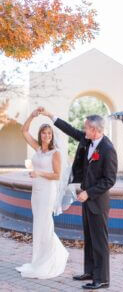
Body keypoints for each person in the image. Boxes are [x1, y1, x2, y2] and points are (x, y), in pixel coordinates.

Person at [39, 107, 118, 290]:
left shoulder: (108, 149)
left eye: (86, 128)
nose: (83, 131)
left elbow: (109, 180)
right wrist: (51, 115)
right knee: (89, 238)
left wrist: (89, 193)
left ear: (95, 130)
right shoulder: (87, 140)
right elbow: (70, 130)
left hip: (97, 201)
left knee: (99, 240)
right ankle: (90, 272)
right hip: (86, 199)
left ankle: (102, 279)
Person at [15, 109, 69, 279]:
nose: (46, 135)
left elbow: (57, 175)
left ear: (52, 136)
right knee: (38, 225)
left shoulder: (56, 153)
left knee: (45, 223)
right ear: (40, 135)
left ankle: (51, 258)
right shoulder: (38, 149)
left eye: (49, 133)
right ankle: (38, 259)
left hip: (47, 191)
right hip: (36, 191)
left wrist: (39, 174)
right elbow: (24, 131)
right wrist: (31, 116)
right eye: (44, 133)